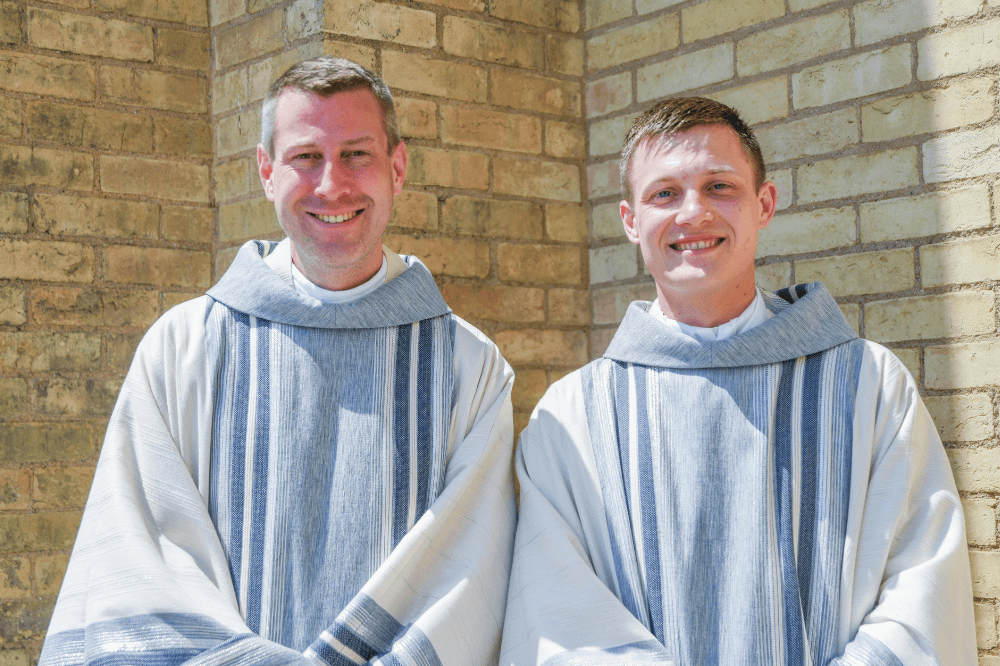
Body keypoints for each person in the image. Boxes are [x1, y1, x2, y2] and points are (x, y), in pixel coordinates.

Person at [40, 56, 516, 666]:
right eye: (305, 157)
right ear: (267, 172)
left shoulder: (468, 368)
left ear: (397, 167)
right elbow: (140, 556)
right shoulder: (183, 347)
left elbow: (471, 571)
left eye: (357, 154)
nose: (331, 185)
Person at [500, 97, 976, 665]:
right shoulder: (573, 417)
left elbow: (922, 588)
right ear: (631, 221)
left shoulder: (869, 386)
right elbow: (559, 618)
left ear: (764, 203)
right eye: (664, 194)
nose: (693, 213)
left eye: (719, 186)